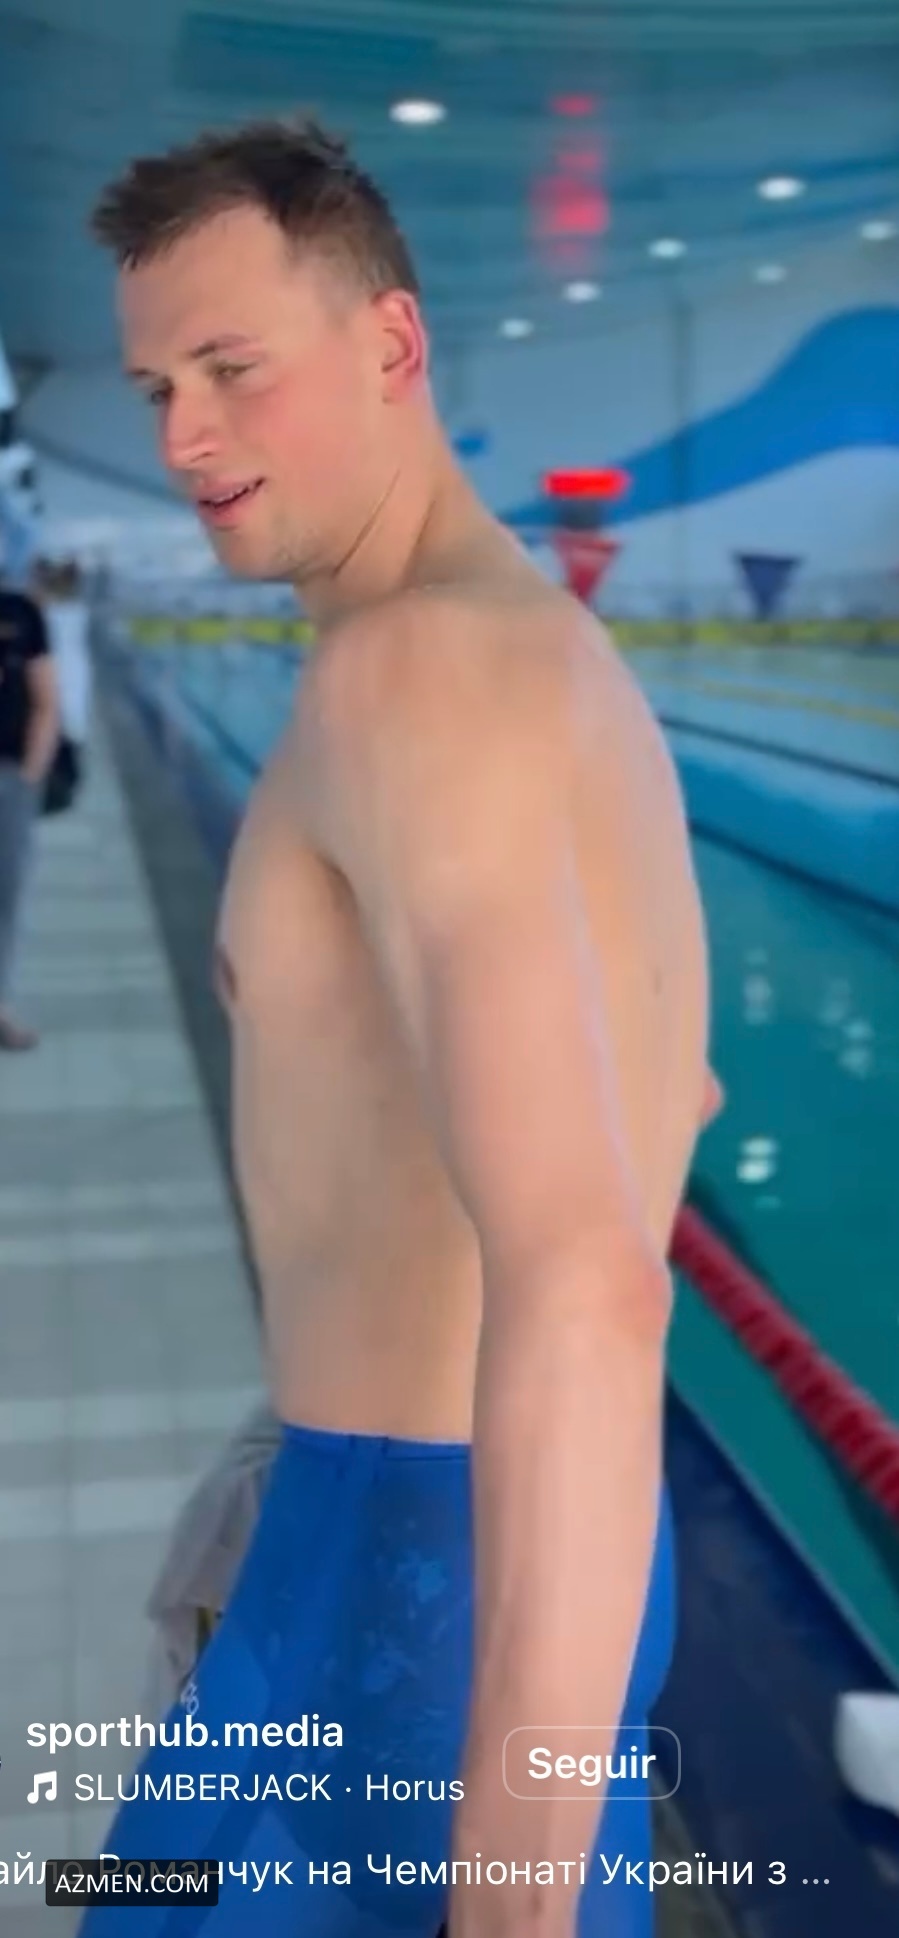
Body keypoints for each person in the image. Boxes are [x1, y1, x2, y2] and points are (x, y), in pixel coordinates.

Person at [83, 118, 720, 1936]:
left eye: (232, 369)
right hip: (458, 1564)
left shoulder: (413, 672)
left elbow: (588, 1280)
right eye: (154, 389)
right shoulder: (552, 668)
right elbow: (673, 1088)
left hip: (399, 1599)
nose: (183, 437)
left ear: (389, 342)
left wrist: (507, 1896)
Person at [0, 561, 58, 1049]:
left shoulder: (21, 613)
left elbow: (46, 701)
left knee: (6, 896)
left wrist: (29, 778)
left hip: (9, 779)